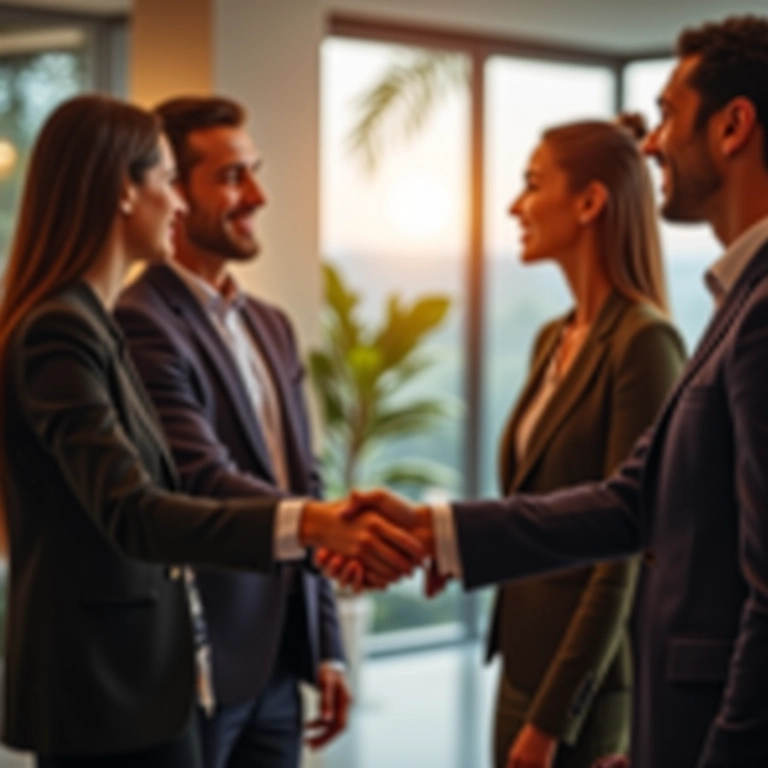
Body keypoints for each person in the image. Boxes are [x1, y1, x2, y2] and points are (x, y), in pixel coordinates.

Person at [329, 14, 768, 768]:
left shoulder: (749, 317)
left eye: (667, 113)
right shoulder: (736, 300)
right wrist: (433, 529)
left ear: (733, 126)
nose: (652, 141)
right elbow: (634, 501)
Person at [0, 94, 422, 768]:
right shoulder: (63, 330)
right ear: (123, 191)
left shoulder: (93, 323)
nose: (175, 202)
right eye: (167, 180)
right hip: (111, 694)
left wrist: (320, 619)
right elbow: (138, 511)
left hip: (148, 684)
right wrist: (314, 525)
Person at [115, 96, 348, 768]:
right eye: (232, 178)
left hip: (281, 661)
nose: (258, 196)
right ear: (173, 193)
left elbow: (306, 479)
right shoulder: (142, 320)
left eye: (255, 172)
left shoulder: (271, 324)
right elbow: (201, 476)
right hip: (201, 664)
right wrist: (337, 526)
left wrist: (327, 644)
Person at [488, 116, 685, 768]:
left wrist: (551, 721)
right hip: (520, 667)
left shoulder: (644, 344)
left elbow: (622, 554)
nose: (517, 205)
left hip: (582, 695)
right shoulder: (553, 337)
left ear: (590, 202)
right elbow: (534, 504)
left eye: (532, 183)